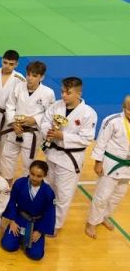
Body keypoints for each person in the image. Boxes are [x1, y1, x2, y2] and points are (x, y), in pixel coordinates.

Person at [40, 77, 97, 232]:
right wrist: (49, 132)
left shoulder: (88, 113)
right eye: (62, 91)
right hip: (52, 154)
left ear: (79, 93)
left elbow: (86, 139)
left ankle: (56, 225)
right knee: (47, 188)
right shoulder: (56, 106)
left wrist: (62, 136)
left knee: (63, 194)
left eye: (68, 92)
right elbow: (44, 122)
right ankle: (43, 216)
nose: (64, 95)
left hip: (69, 159)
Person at [86, 95, 130, 238]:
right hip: (111, 165)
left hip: (127, 168)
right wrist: (98, 162)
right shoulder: (113, 121)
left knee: (118, 196)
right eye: (129, 109)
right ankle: (92, 222)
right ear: (124, 107)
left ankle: (103, 216)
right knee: (102, 196)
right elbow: (101, 142)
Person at [3, 61, 55, 181]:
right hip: (14, 129)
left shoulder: (48, 93)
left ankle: (24, 189)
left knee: (28, 163)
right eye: (28, 74)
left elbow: (49, 113)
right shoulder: (18, 87)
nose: (30, 78)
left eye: (34, 76)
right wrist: (13, 123)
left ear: (42, 77)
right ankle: (6, 187)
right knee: (7, 158)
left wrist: (35, 119)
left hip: (32, 133)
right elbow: (10, 106)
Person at [1, 160, 56, 260]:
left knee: (36, 255)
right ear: (29, 171)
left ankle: (27, 239)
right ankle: (19, 238)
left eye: (39, 176)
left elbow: (50, 213)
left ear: (45, 176)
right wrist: (12, 221)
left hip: (36, 224)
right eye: (32, 174)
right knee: (8, 246)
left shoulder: (48, 192)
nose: (34, 178)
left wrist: (40, 231)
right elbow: (12, 202)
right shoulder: (19, 183)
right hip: (20, 219)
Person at [0, 50, 23, 172]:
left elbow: (19, 102)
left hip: (6, 118)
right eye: (5, 62)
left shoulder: (19, 79)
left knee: (1, 147)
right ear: (1, 60)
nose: (7, 66)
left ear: (16, 64)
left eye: (11, 64)